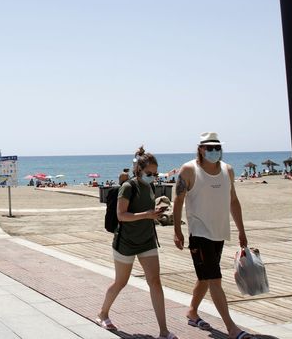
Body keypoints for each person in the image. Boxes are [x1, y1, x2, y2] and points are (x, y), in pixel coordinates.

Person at [173, 132, 250, 339]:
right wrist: (177, 230)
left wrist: (241, 230)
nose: (214, 151)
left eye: (217, 148)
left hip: (219, 232)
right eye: (209, 148)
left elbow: (233, 201)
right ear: (200, 149)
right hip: (199, 233)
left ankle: (192, 311)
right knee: (215, 279)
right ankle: (232, 328)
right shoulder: (189, 170)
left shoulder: (228, 170)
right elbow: (178, 200)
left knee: (205, 278)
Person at [97, 146, 178, 339]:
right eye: (149, 173)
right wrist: (147, 214)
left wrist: (155, 212)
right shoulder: (128, 187)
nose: (153, 176)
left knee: (155, 282)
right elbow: (121, 215)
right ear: (138, 170)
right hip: (126, 242)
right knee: (121, 282)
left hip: (147, 240)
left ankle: (163, 331)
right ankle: (103, 313)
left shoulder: (149, 186)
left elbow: (146, 211)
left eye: (155, 173)